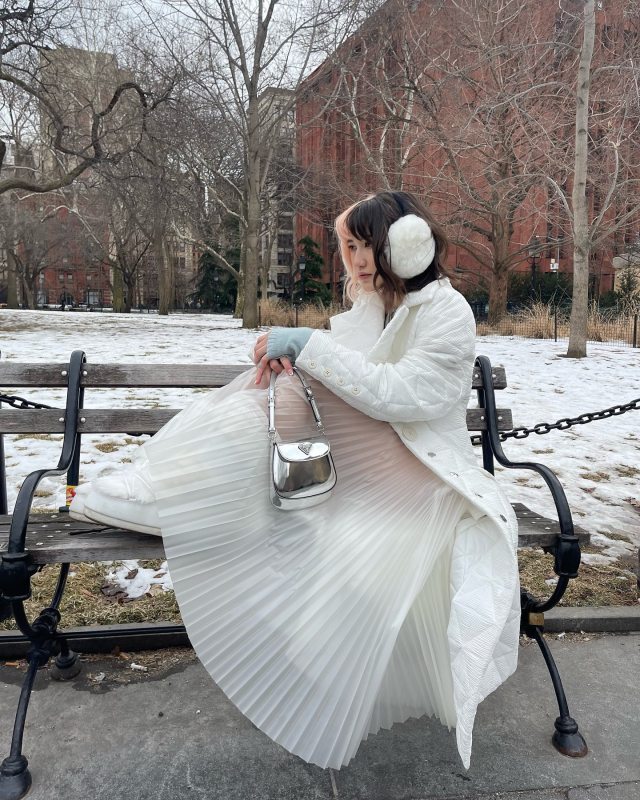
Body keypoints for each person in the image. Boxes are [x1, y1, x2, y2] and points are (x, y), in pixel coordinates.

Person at [70, 190, 520, 770]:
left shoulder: (446, 311)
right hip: (374, 459)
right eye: (348, 247)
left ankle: (177, 491)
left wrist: (307, 347)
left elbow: (402, 395)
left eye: (364, 246)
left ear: (404, 245)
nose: (353, 261)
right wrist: (296, 357)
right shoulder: (373, 307)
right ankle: (173, 481)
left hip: (426, 471)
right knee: (273, 391)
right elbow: (341, 371)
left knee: (281, 395)